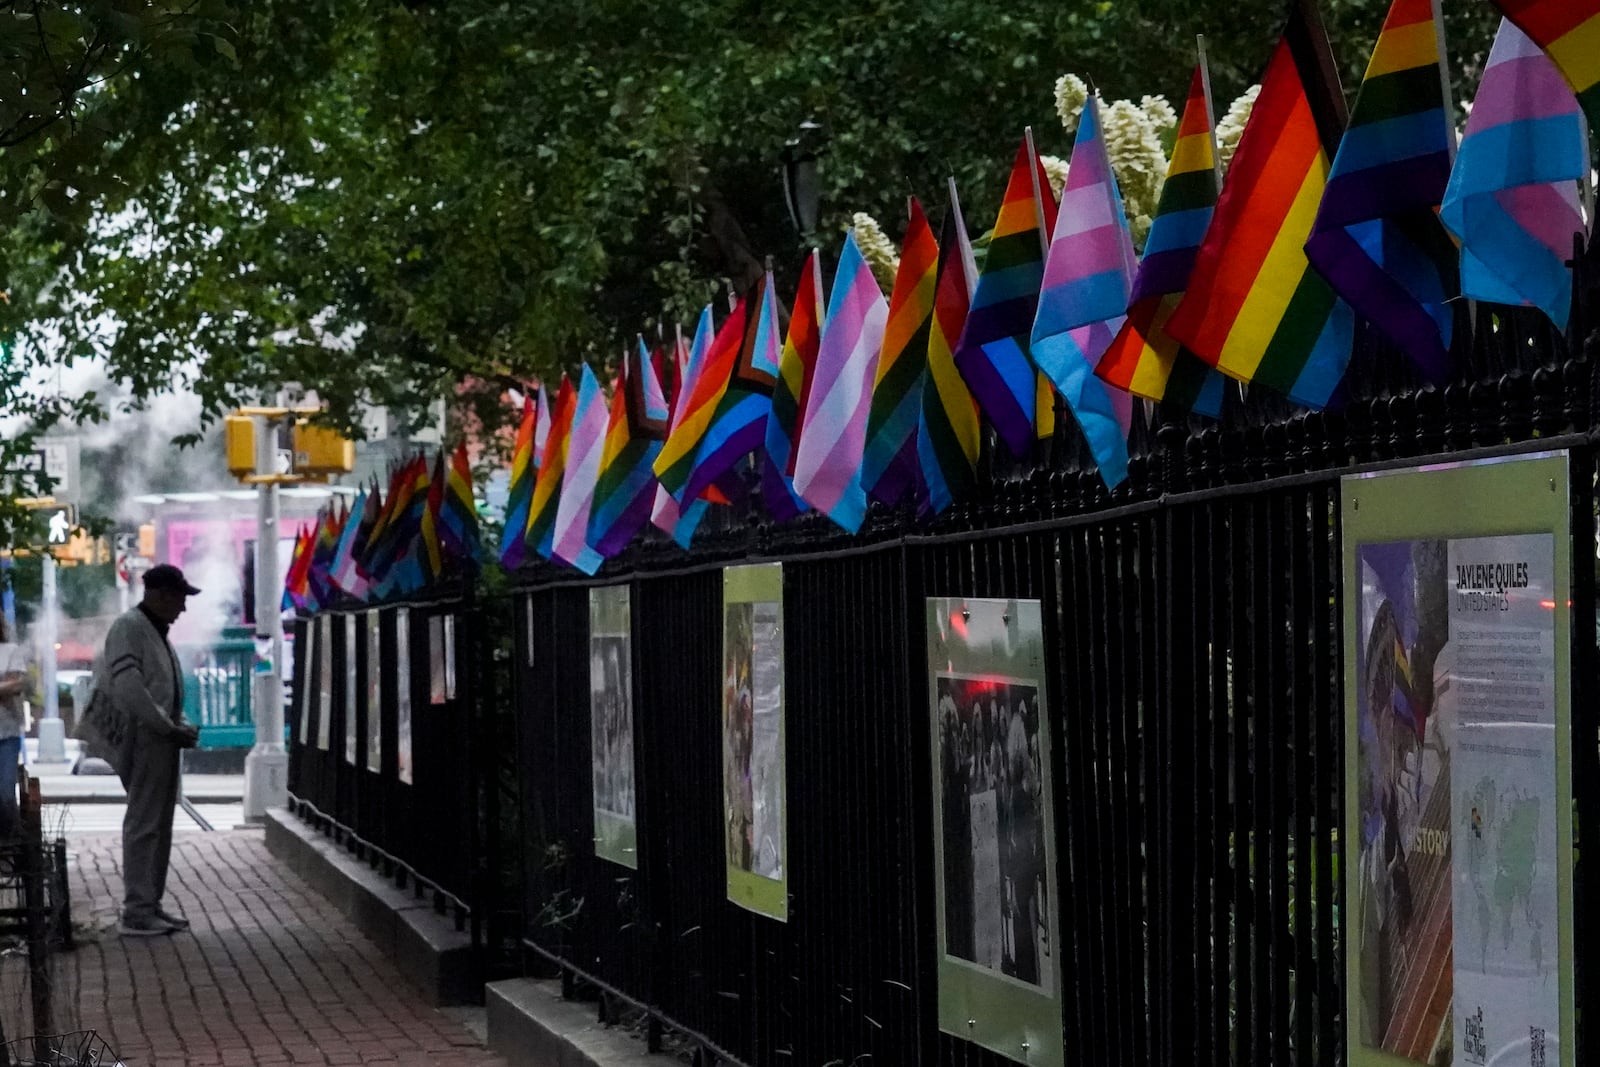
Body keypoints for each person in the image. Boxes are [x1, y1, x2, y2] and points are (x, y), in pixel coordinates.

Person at [81, 564, 202, 936]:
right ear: (161, 595)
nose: (183, 608)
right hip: (147, 739)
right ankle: (138, 910)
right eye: (180, 598)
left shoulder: (151, 630)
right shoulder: (131, 627)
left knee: (158, 824)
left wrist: (175, 725)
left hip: (161, 738)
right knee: (145, 824)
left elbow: (155, 687)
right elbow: (131, 689)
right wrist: (167, 726)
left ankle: (149, 903)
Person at [0, 619, 31, 839]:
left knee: (5, 796)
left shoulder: (10, 651)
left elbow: (16, 684)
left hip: (6, 733)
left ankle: (7, 843)